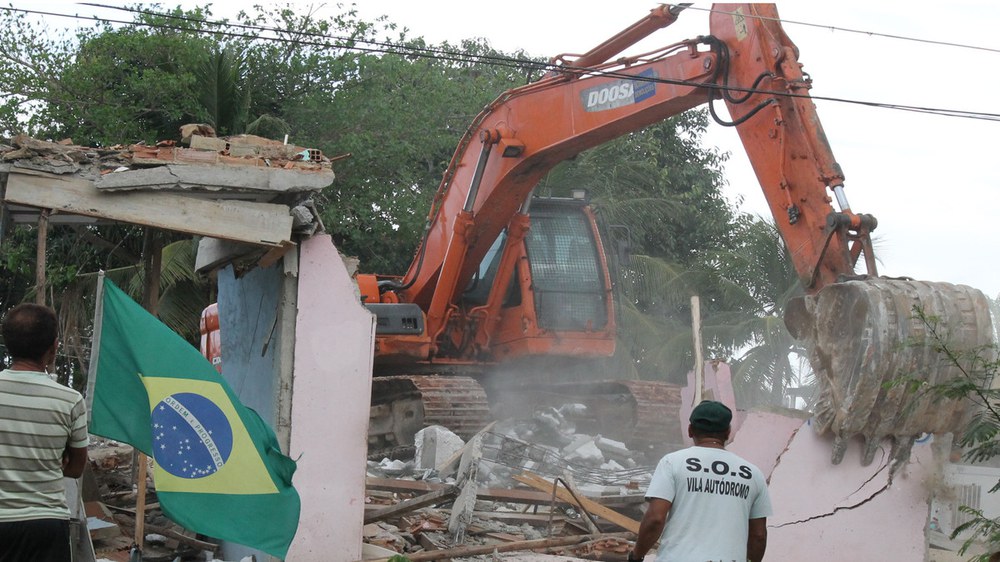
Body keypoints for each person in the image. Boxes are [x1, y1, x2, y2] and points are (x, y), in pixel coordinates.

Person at [628, 400, 771, 562]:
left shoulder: (672, 463)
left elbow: (655, 518)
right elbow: (759, 535)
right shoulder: (753, 474)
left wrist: (637, 555)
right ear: (728, 432)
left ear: (690, 430)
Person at [0, 303, 89, 562]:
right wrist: (46, 460)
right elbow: (76, 468)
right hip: (47, 525)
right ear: (54, 347)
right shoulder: (70, 400)